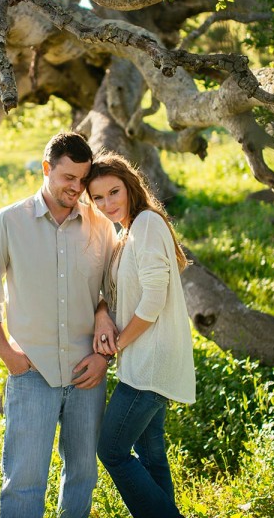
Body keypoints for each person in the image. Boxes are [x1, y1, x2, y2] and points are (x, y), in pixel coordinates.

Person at [0, 132, 118, 518]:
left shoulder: (101, 226)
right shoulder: (7, 223)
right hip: (31, 372)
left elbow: (114, 293)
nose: (78, 187)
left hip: (87, 371)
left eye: (83, 179)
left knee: (83, 477)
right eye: (69, 177)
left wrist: (103, 334)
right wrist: (9, 356)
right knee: (23, 480)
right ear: (46, 169)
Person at [86, 152, 196, 518]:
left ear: (130, 186)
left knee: (112, 451)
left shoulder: (147, 223)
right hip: (143, 360)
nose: (107, 204)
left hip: (150, 362)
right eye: (97, 198)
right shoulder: (127, 232)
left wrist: (117, 343)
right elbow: (113, 294)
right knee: (151, 455)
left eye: (114, 192)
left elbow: (153, 299)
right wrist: (103, 313)